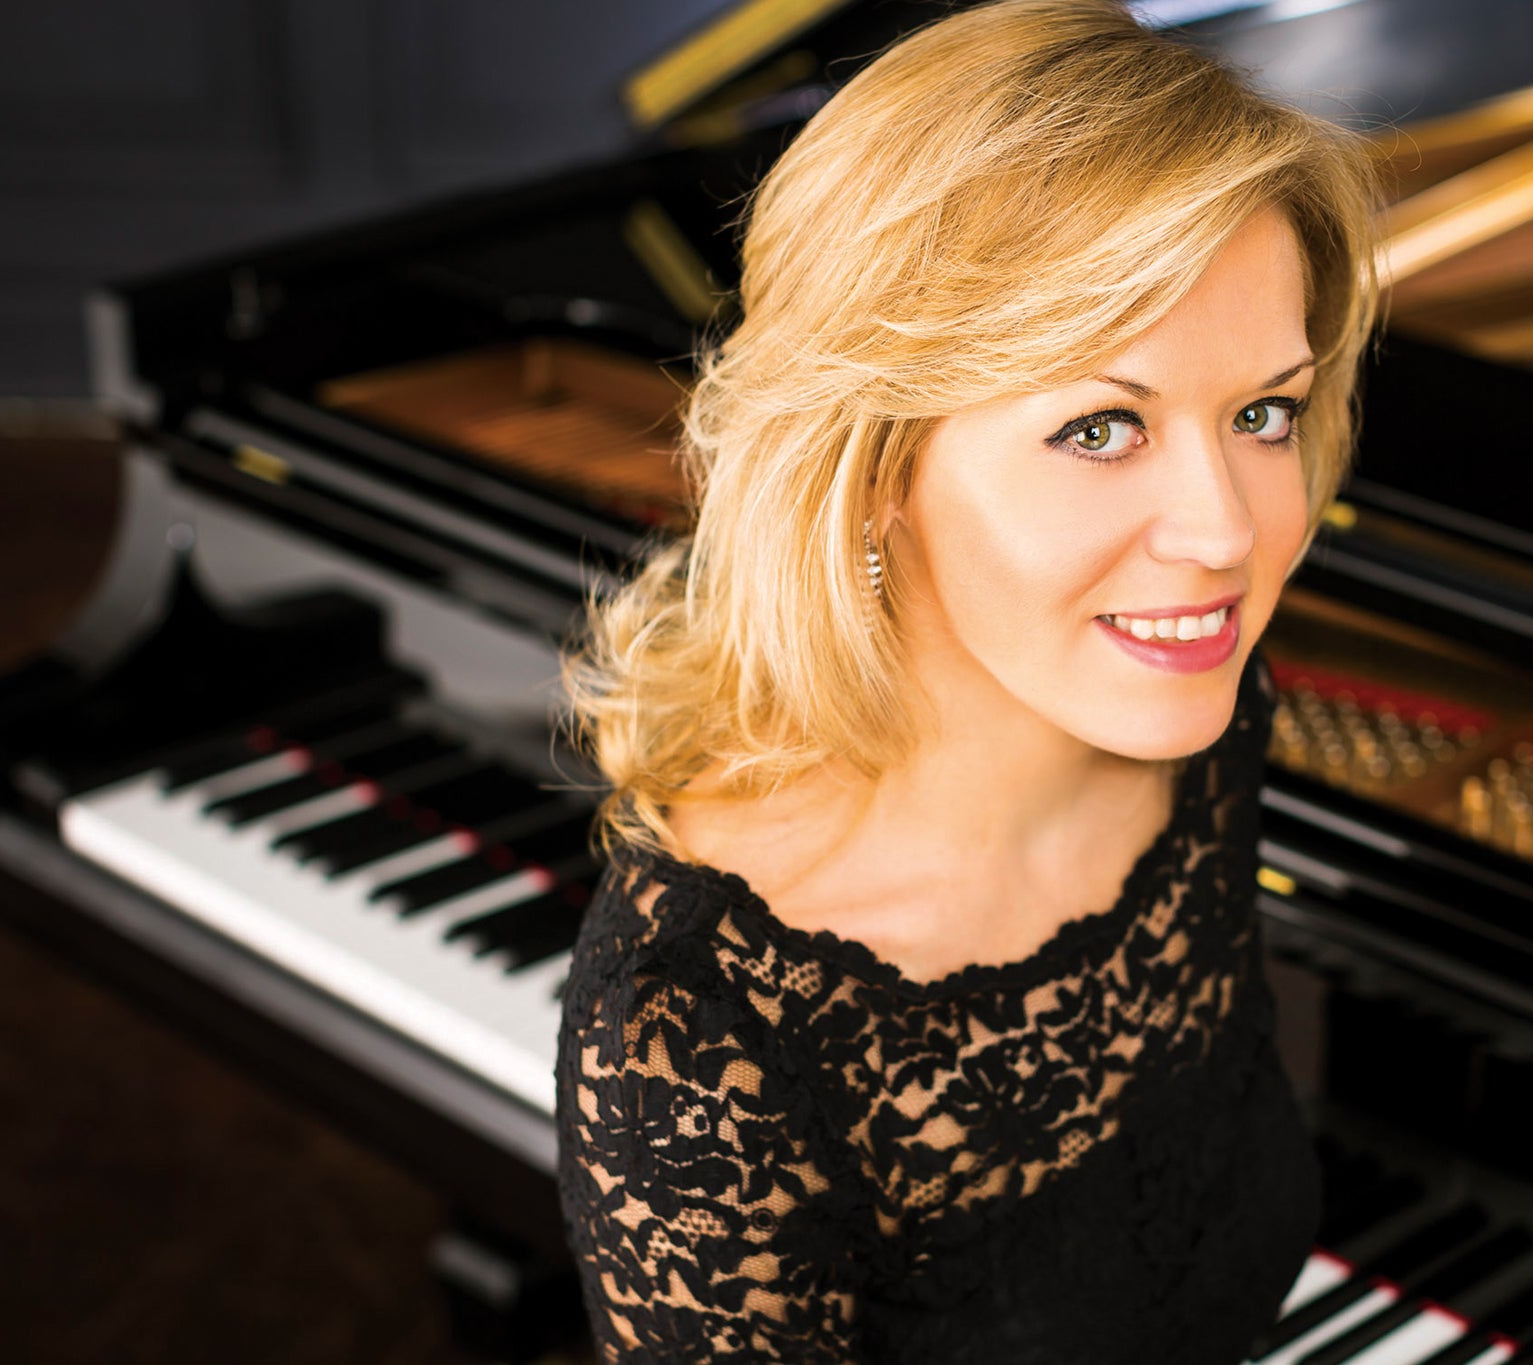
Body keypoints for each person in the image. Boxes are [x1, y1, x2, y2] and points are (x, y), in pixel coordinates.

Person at [556, 1, 1380, 1359]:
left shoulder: (1201, 721)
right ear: (876, 466)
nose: (1226, 533)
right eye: (1100, 427)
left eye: (1262, 413)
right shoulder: (698, 1032)